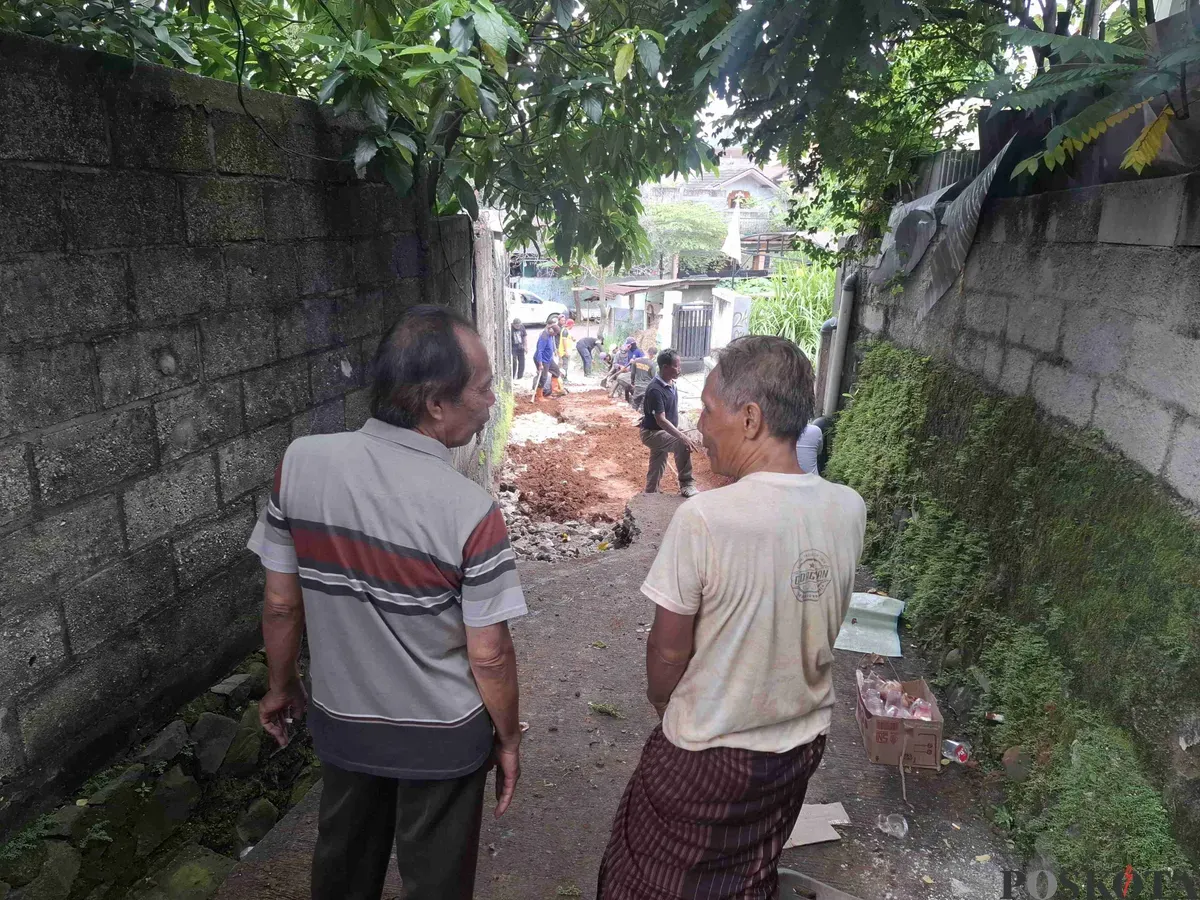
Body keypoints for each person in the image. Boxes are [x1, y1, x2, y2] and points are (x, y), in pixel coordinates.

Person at [248, 306, 527, 900]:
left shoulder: (300, 462)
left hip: (345, 726)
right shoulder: (470, 511)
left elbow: (280, 604)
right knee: (436, 885)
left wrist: (281, 685)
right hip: (444, 737)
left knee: (343, 871)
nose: (490, 402)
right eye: (481, 388)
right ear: (435, 403)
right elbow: (491, 654)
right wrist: (507, 737)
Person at [597, 336, 866, 900]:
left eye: (708, 411)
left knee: (642, 876)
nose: (699, 423)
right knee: (746, 870)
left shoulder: (706, 519)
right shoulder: (848, 507)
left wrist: (662, 702)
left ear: (750, 419)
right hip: (800, 745)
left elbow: (668, 653)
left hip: (709, 752)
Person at [639, 349, 698, 498]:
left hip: (661, 432)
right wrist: (681, 436)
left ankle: (650, 493)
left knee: (658, 464)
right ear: (665, 367)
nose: (680, 369)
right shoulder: (655, 389)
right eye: (676, 366)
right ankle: (687, 484)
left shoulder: (671, 384)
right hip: (652, 433)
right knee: (681, 443)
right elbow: (661, 420)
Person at [534, 322, 563, 400]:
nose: (555, 335)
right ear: (551, 331)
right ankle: (539, 396)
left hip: (549, 359)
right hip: (542, 360)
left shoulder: (551, 335)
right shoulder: (544, 337)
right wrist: (540, 364)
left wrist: (554, 351)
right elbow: (540, 351)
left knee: (556, 371)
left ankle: (554, 390)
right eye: (555, 333)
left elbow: (551, 345)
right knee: (543, 377)